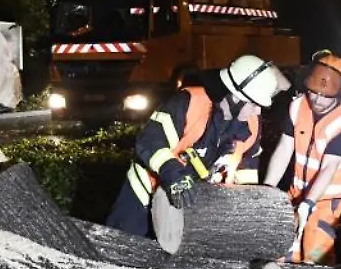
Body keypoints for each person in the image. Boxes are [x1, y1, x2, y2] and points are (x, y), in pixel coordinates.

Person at [105, 54, 287, 236]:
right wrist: (173, 173)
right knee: (123, 245)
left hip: (192, 205)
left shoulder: (250, 126)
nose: (257, 111)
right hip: (146, 193)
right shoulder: (188, 103)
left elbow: (246, 172)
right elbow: (150, 141)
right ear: (235, 98)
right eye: (254, 103)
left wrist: (246, 207)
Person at [263, 50, 341, 264]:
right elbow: (284, 148)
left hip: (328, 197)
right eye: (314, 93)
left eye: (326, 95)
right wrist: (267, 189)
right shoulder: (297, 106)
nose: (318, 100)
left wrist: (309, 203)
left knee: (315, 251)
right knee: (283, 244)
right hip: (298, 189)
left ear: (339, 92)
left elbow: (329, 167)